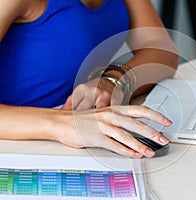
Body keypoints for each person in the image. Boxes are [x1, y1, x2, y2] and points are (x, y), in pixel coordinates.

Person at [0, 0, 179, 158]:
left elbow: (160, 48)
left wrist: (115, 80)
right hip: (16, 143)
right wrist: (62, 123)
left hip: (77, 134)